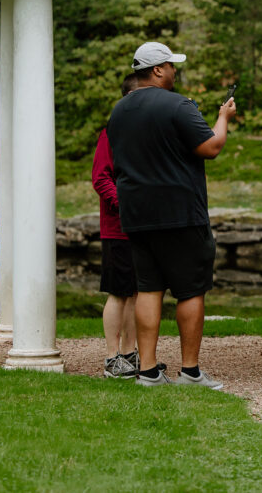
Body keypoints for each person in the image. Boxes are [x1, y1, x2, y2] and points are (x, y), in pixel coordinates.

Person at [107, 41, 236, 390]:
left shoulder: (118, 112)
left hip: (137, 214)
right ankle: (190, 372)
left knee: (149, 289)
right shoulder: (179, 105)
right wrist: (223, 118)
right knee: (191, 290)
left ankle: (148, 371)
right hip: (181, 214)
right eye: (171, 65)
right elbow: (211, 146)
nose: (175, 71)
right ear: (158, 70)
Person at [93, 73, 141, 379]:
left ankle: (131, 354)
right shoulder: (110, 134)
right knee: (118, 293)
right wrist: (125, 205)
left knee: (137, 293)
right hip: (118, 228)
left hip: (144, 227)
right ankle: (112, 357)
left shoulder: (145, 135)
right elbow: (100, 178)